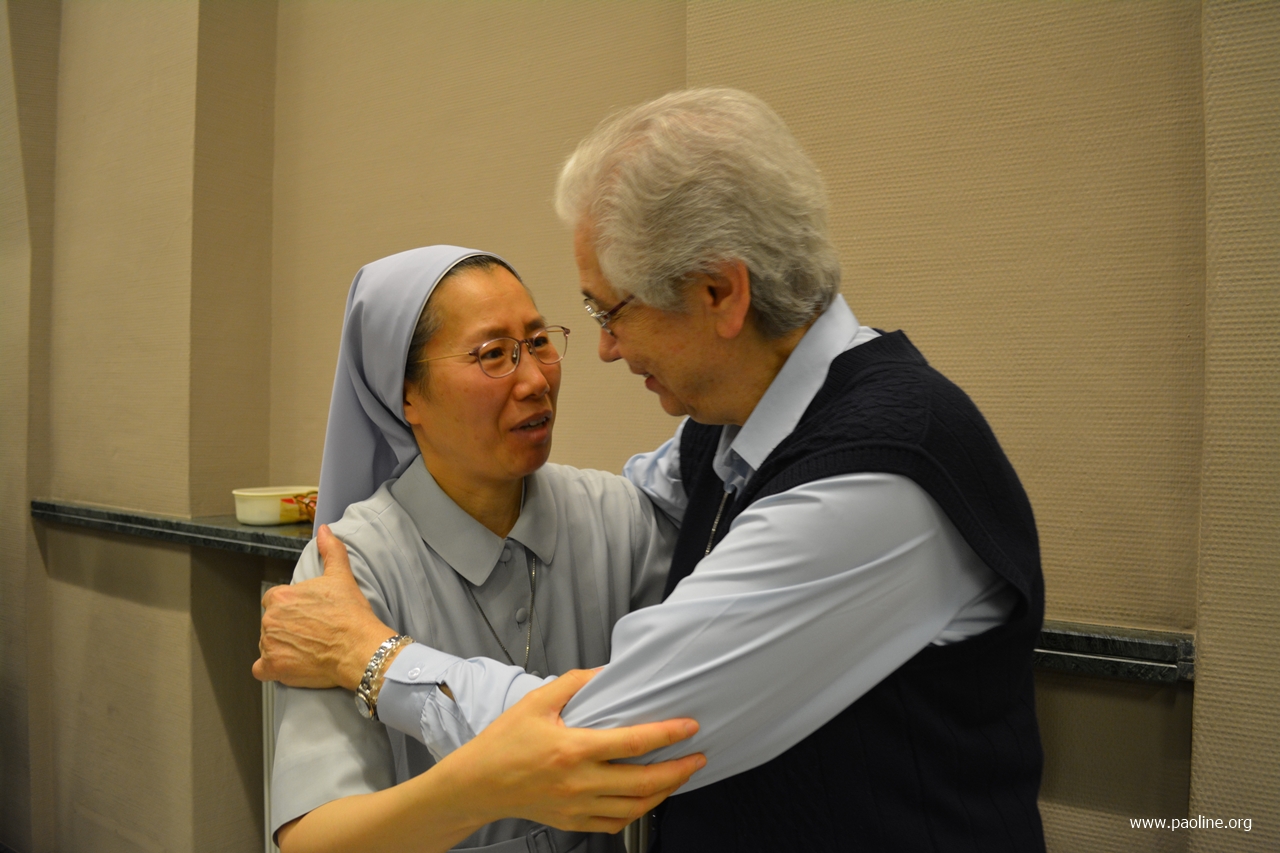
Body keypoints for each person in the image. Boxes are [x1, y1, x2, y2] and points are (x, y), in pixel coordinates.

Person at [258, 89, 1047, 852]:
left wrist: (372, 657)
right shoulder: (732, 438)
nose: (599, 351)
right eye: (493, 354)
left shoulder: (870, 481)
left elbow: (602, 740)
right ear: (401, 393)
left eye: (607, 314)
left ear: (720, 293)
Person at [265, 245, 704, 853]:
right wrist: (488, 787)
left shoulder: (618, 517)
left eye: (539, 342)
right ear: (406, 395)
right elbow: (314, 838)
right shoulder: (350, 570)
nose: (535, 381)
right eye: (493, 354)